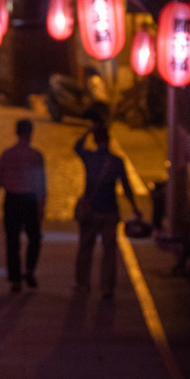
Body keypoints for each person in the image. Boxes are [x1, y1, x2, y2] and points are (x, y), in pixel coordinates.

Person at [74, 125, 142, 298]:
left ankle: (83, 284)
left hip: (91, 211)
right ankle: (107, 287)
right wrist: (135, 207)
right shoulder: (117, 161)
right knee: (109, 251)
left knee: (85, 249)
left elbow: (77, 148)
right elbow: (126, 187)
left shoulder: (89, 157)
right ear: (109, 140)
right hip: (110, 211)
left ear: (95, 141)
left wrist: (87, 131)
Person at [0, 119, 47, 292]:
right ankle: (29, 270)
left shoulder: (7, 154)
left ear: (16, 133)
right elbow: (41, 183)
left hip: (12, 200)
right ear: (31, 133)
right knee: (34, 238)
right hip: (30, 200)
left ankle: (15, 279)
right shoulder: (36, 156)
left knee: (12, 240)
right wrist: (42, 205)